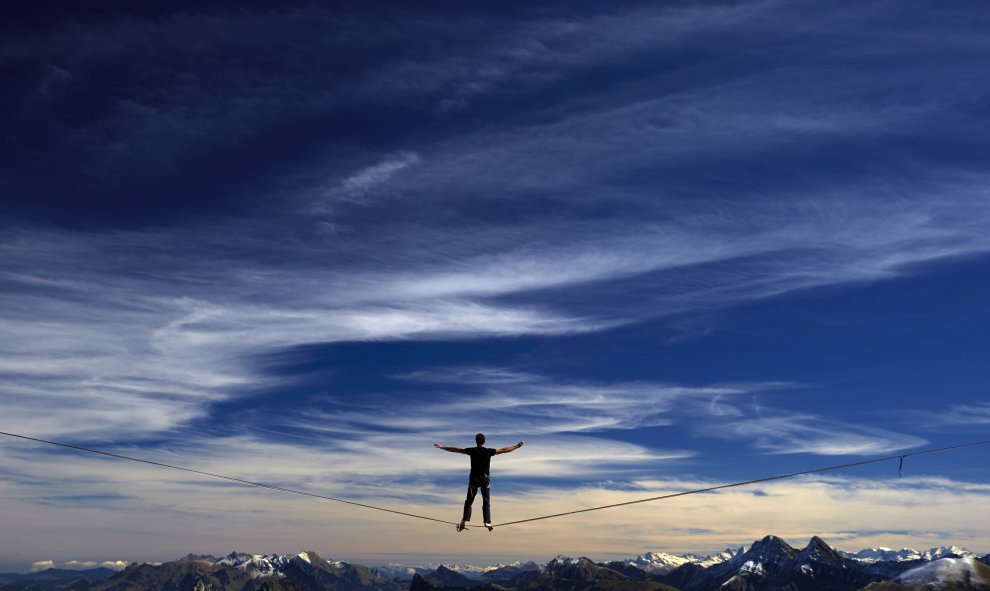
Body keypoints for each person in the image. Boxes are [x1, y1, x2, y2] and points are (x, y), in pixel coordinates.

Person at [435, 433, 524, 532]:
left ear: (476, 441)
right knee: (486, 501)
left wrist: (443, 447)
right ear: (484, 441)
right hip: (485, 480)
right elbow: (503, 450)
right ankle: (487, 521)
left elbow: (458, 450)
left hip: (474, 480)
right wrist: (517, 446)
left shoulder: (472, 450)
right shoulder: (489, 451)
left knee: (469, 501)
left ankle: (464, 521)